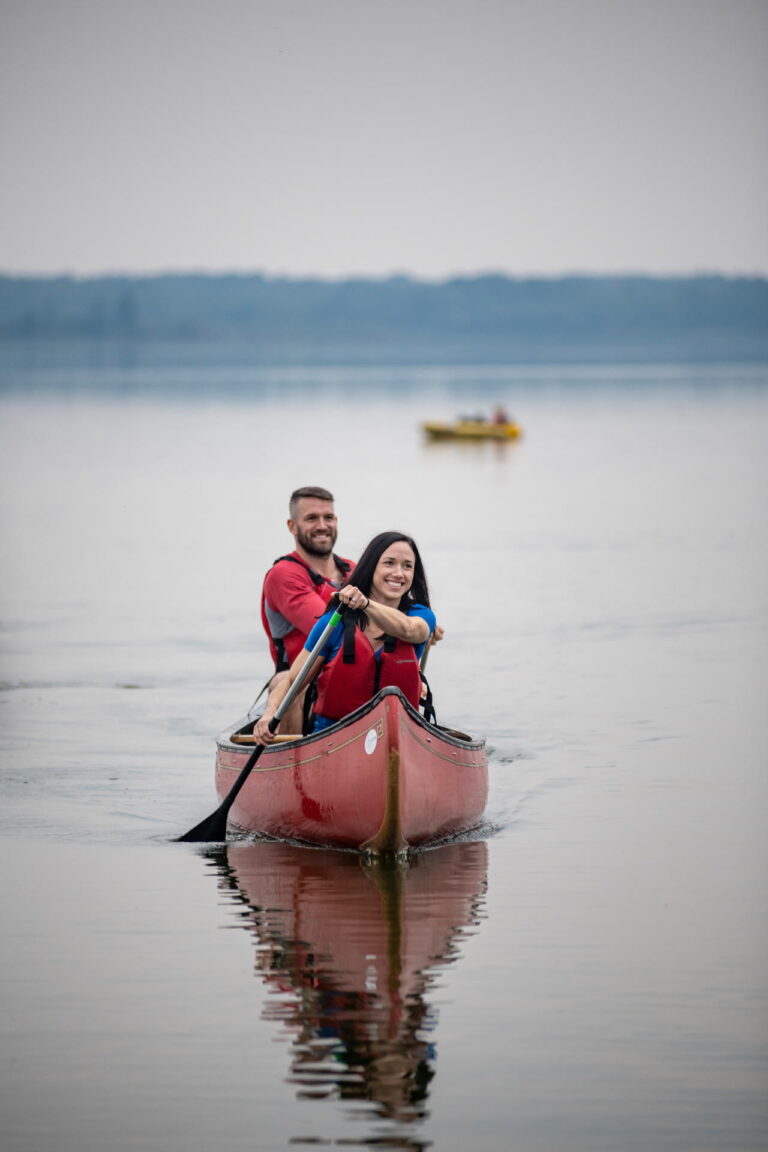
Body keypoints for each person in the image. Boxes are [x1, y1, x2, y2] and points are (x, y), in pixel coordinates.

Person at [254, 531, 436, 743]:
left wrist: (366, 604)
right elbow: (293, 680)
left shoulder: (421, 615)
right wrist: (269, 714)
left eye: (407, 566)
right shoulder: (335, 621)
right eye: (389, 563)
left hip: (399, 738)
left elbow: (410, 630)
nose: (398, 573)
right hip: (332, 739)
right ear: (371, 567)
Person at [261, 486, 354, 672]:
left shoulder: (352, 569)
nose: (322, 526)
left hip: (353, 676)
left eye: (328, 518)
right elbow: (330, 633)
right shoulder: (283, 575)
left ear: (336, 521)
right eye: (312, 518)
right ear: (292, 526)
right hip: (303, 681)